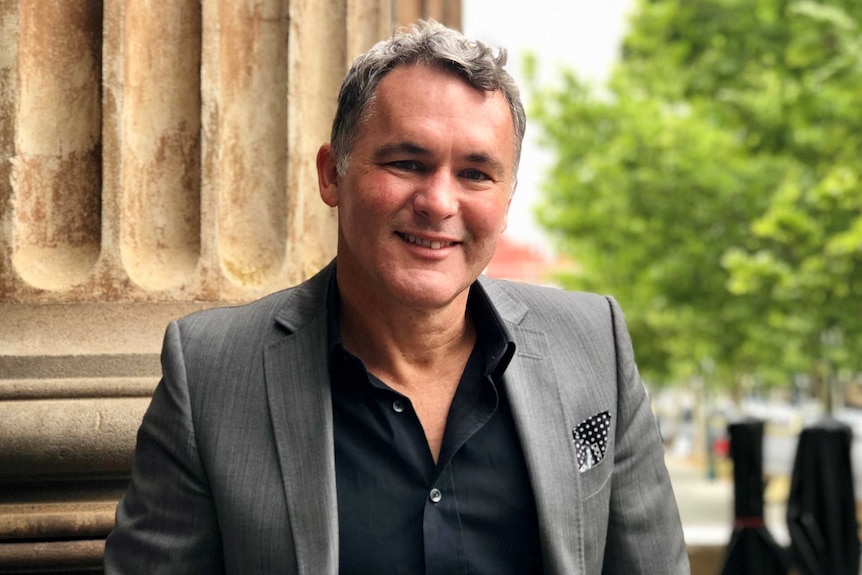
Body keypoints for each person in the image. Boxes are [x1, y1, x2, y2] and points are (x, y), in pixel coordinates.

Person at [104, 20, 689, 574]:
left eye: (476, 174)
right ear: (332, 174)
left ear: (507, 199)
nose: (439, 202)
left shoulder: (595, 346)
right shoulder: (210, 372)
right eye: (407, 163)